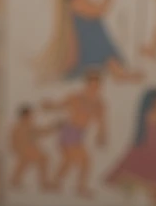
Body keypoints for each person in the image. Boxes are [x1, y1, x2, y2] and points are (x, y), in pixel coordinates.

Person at [37, 0, 141, 84]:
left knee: (104, 44)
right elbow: (99, 11)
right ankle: (117, 72)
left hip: (94, 36)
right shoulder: (75, 2)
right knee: (101, 45)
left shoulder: (82, 0)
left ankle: (117, 71)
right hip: (86, 40)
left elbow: (96, 10)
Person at [41, 70, 108, 198]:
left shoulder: (99, 103)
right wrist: (49, 106)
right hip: (69, 131)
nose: (94, 88)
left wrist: (101, 135)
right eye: (92, 85)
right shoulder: (76, 97)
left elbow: (101, 121)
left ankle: (55, 184)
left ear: (99, 86)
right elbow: (59, 105)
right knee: (84, 161)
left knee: (68, 161)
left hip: (79, 134)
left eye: (97, 85)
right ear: (87, 85)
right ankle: (80, 187)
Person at [8, 104, 58, 190]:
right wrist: (53, 127)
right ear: (25, 115)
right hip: (25, 149)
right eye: (30, 114)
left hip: (27, 149)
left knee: (24, 163)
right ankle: (44, 183)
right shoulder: (22, 126)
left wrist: (53, 128)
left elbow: (40, 132)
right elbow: (38, 133)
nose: (32, 116)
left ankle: (15, 181)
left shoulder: (26, 124)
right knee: (42, 159)